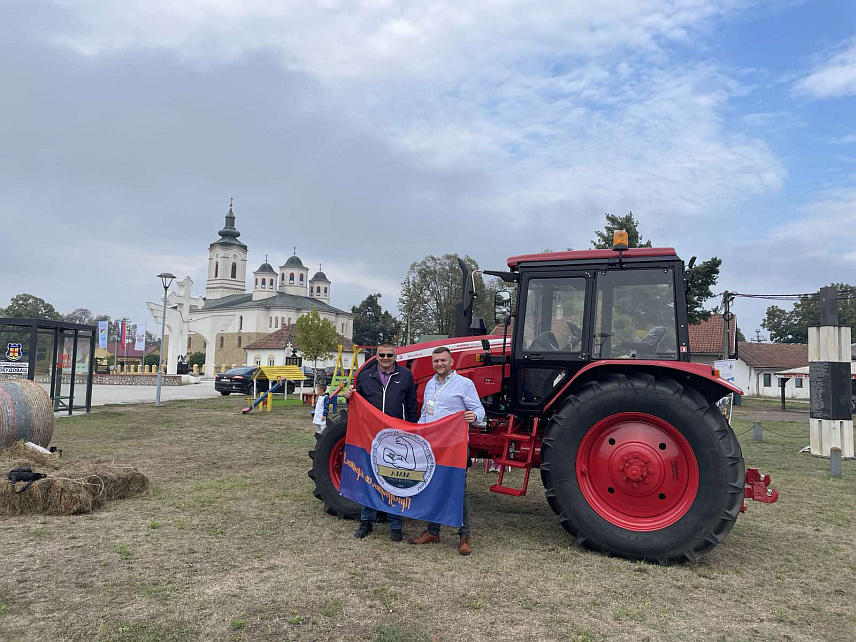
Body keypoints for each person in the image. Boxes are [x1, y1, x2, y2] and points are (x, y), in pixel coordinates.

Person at [407, 346, 485, 555]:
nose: (440, 364)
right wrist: (417, 431)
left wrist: (474, 417)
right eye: (436, 361)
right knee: (432, 485)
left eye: (443, 360)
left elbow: (479, 410)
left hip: (455, 445)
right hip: (434, 445)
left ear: (451, 362)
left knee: (459, 488)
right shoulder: (429, 385)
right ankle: (433, 531)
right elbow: (426, 413)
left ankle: (464, 535)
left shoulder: (464, 384)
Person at [343, 341, 418, 542]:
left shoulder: (405, 376)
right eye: (382, 355)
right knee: (369, 478)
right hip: (371, 436)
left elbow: (411, 405)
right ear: (376, 356)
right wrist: (348, 396)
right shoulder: (366, 377)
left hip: (396, 437)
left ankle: (395, 525)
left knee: (395, 479)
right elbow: (356, 402)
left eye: (389, 355)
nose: (385, 359)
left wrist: (412, 430)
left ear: (396, 357)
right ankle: (366, 522)